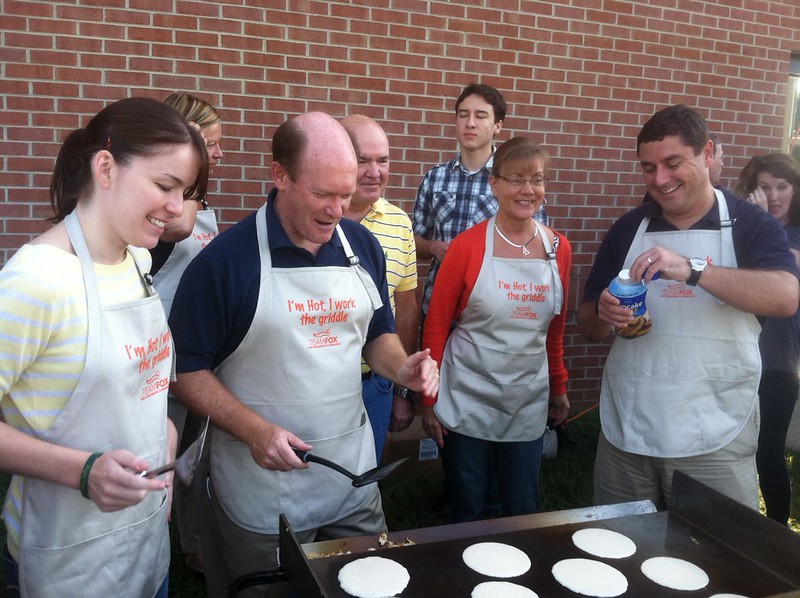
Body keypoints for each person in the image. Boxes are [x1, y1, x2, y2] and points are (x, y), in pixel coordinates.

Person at [167, 111, 439, 597]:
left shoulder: (363, 247)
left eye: (346, 194)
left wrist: (403, 367)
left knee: (370, 585)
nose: (338, 210)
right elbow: (186, 371)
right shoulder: (225, 264)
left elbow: (378, 333)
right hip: (260, 489)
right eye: (322, 194)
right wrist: (255, 431)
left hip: (351, 476)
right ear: (280, 175)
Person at [0, 97, 209, 597]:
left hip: (144, 540)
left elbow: (139, 379)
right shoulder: (37, 281)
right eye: (164, 186)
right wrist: (83, 470)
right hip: (66, 555)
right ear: (106, 167)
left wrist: (161, 431)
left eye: (184, 191)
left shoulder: (136, 259)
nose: (178, 209)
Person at [577, 104, 799, 511]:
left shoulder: (751, 224)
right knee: (617, 553)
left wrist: (691, 269)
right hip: (629, 429)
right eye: (648, 167)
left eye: (672, 162)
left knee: (717, 562)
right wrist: (604, 314)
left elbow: (785, 295)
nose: (659, 180)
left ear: (708, 153)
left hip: (716, 429)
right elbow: (587, 325)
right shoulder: (629, 229)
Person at [421, 137, 571, 523]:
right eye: (517, 179)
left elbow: (554, 328)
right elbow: (436, 325)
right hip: (467, 395)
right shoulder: (467, 247)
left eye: (537, 180)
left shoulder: (559, 249)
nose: (528, 190)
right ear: (494, 184)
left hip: (526, 398)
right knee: (467, 509)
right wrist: (429, 399)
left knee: (521, 510)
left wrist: (559, 387)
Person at [152, 92, 223, 575]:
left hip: (194, 356)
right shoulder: (157, 217)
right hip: (154, 357)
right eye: (212, 143)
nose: (220, 153)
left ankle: (194, 544)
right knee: (159, 453)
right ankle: (153, 533)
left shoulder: (206, 212)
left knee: (195, 454)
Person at [412, 82, 548, 320]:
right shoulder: (435, 178)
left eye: (480, 116)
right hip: (439, 307)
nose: (470, 123)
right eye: (463, 115)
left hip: (493, 313)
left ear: (498, 126)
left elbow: (539, 248)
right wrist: (434, 247)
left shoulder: (516, 182)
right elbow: (413, 242)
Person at [341, 115, 419, 460]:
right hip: (318, 385)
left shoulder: (400, 224)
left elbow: (406, 311)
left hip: (376, 383)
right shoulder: (313, 219)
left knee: (365, 479)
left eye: (382, 160)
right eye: (362, 160)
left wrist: (402, 390)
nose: (375, 172)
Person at [735, 153, 800, 526]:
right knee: (728, 448)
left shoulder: (786, 233)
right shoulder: (746, 227)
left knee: (768, 452)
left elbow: (779, 264)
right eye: (763, 187)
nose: (773, 196)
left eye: (782, 187)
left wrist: (755, 220)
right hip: (736, 353)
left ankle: (777, 531)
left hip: (778, 361)